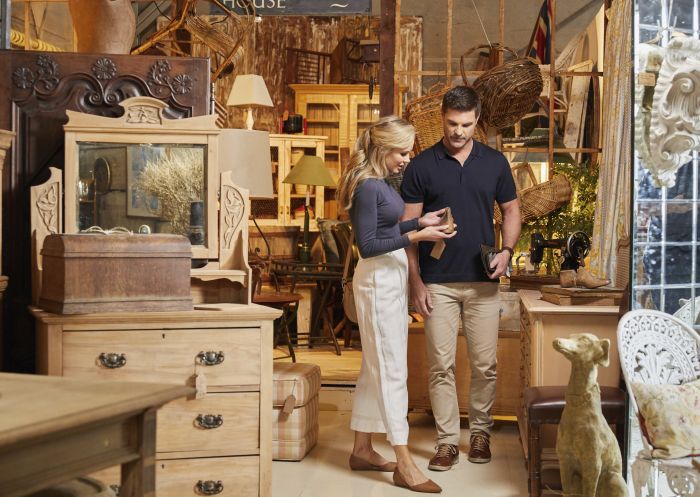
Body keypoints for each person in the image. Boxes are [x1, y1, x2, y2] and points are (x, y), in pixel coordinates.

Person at [400, 86, 521, 470]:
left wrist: (507, 251)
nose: (459, 132)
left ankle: (481, 432)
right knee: (440, 365)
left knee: (485, 364)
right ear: (442, 117)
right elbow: (408, 229)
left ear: (477, 120)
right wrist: (415, 282)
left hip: (483, 280)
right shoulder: (421, 166)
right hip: (436, 282)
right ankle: (448, 441)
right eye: (452, 123)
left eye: (467, 124)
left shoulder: (495, 163)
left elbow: (512, 211)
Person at [337, 115, 456, 493]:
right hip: (377, 281)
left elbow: (386, 229)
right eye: (402, 152)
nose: (407, 159)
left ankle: (362, 449)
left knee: (376, 367)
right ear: (383, 149)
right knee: (390, 370)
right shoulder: (368, 187)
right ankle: (404, 463)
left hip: (388, 279)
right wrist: (418, 233)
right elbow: (367, 246)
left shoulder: (381, 184)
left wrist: (420, 220)